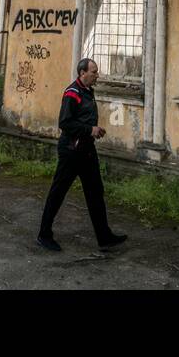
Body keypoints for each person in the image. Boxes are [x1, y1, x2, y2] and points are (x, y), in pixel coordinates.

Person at [36, 58, 127, 252]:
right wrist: (89, 130)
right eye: (94, 72)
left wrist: (93, 131)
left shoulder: (87, 91)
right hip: (71, 151)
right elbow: (65, 123)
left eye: (96, 71)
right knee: (58, 192)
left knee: (96, 193)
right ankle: (44, 235)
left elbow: (83, 120)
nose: (97, 75)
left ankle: (105, 237)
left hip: (87, 150)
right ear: (82, 73)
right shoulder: (72, 93)